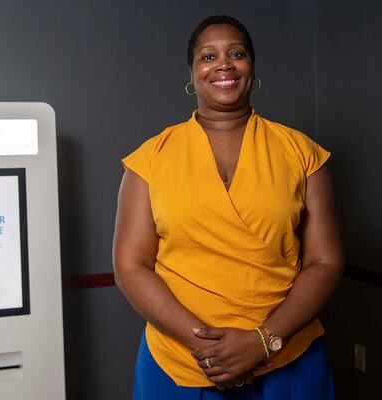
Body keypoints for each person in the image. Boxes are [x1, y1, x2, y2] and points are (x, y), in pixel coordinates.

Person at [112, 15, 344, 400]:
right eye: (208, 56)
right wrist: (209, 349)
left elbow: (325, 261)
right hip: (180, 360)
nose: (223, 64)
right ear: (192, 73)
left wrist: (262, 342)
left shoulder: (301, 152)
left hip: (287, 355)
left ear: (251, 67)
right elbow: (130, 267)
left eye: (236, 53)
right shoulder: (151, 158)